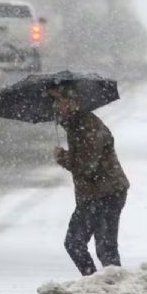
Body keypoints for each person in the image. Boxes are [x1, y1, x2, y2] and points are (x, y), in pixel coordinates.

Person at [49, 83, 130, 276]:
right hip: (100, 192)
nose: (55, 105)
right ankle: (107, 290)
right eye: (52, 100)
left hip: (104, 193)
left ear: (72, 101)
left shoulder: (87, 126)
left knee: (79, 243)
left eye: (58, 100)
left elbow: (87, 166)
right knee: (105, 248)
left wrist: (63, 158)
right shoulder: (76, 124)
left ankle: (98, 288)